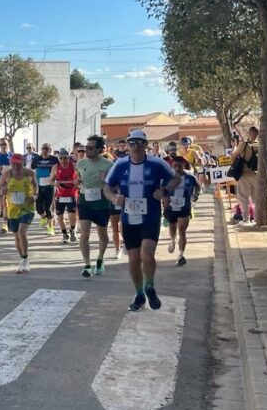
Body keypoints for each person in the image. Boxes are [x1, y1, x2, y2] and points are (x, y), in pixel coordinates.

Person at [105, 129, 182, 312]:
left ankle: (150, 287)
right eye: (132, 143)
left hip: (150, 217)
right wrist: (114, 199)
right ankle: (139, 294)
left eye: (140, 143)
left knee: (147, 255)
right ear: (128, 145)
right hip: (128, 219)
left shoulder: (157, 163)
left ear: (146, 145)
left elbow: (176, 179)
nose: (136, 146)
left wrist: (163, 191)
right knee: (133, 260)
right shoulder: (120, 164)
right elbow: (107, 187)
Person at [76, 135, 114, 277]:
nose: (87, 150)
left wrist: (106, 181)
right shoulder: (81, 163)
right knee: (84, 233)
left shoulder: (108, 164)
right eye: (86, 147)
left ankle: (100, 258)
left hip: (102, 202)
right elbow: (79, 178)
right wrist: (77, 181)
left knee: (102, 235)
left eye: (90, 148)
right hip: (85, 200)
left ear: (99, 149)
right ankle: (87, 265)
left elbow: (114, 185)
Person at [0, 153, 37, 273]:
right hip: (12, 210)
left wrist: (35, 196)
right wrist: (2, 190)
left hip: (27, 208)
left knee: (21, 232)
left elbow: (35, 185)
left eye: (18, 163)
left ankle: (25, 259)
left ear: (23, 162)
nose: (15, 165)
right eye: (13, 163)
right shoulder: (7, 174)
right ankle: (22, 258)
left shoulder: (29, 173)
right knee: (16, 236)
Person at [165, 156, 200, 265]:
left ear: (184, 165)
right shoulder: (168, 177)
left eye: (179, 166)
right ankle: (172, 240)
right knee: (172, 230)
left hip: (185, 207)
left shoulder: (190, 177)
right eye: (174, 166)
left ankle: (181, 255)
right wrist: (164, 201)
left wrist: (196, 195)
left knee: (182, 231)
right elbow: (162, 190)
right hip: (171, 207)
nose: (176, 168)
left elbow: (198, 187)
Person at [232, 126, 260, 223]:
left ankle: (246, 219)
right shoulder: (261, 145)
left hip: (244, 174)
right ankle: (257, 218)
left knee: (244, 198)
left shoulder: (243, 144)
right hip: (258, 175)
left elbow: (233, 156)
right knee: (257, 199)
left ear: (249, 133)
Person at [52, 148, 79, 243]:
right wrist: (55, 183)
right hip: (60, 195)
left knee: (72, 215)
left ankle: (72, 230)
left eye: (65, 158)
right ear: (58, 159)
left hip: (71, 194)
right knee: (60, 216)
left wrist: (77, 182)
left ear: (69, 158)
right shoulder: (55, 167)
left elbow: (80, 177)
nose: (63, 160)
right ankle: (64, 234)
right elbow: (51, 180)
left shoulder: (74, 165)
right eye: (61, 158)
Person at [33, 143, 60, 237]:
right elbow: (32, 169)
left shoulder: (54, 159)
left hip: (50, 186)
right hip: (39, 186)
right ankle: (43, 217)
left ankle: (51, 228)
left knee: (48, 208)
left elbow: (59, 170)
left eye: (47, 149)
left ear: (50, 150)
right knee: (38, 207)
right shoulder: (37, 159)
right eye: (43, 148)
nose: (45, 150)